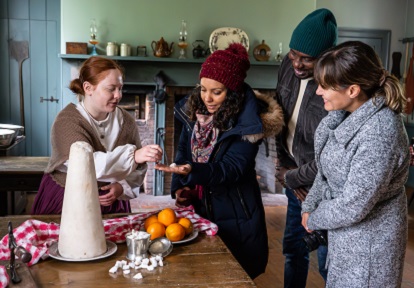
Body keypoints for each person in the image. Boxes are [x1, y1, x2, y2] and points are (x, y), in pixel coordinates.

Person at [155, 43, 283, 279]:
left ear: (232, 91)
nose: (208, 98)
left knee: (234, 275)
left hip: (236, 210)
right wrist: (182, 185)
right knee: (201, 271)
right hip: (201, 204)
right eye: (203, 89)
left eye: (217, 91)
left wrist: (191, 170)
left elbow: (231, 169)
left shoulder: (249, 123)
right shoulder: (195, 109)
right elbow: (183, 149)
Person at [301, 40, 409, 287]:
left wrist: (314, 217)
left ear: (352, 90)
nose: (318, 92)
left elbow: (353, 205)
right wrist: (310, 205)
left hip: (370, 248)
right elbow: (325, 171)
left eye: (325, 86)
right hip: (346, 240)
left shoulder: (380, 132)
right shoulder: (344, 116)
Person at [31, 56, 163, 215]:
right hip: (68, 199)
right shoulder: (67, 122)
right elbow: (87, 164)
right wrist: (133, 156)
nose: (118, 95)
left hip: (111, 202)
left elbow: (139, 168)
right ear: (88, 88)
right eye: (111, 88)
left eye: (120, 88)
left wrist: (122, 187)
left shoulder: (126, 121)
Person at [274, 8, 337, 287]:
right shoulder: (287, 68)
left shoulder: (334, 83)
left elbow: (332, 152)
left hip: (324, 187)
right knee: (294, 250)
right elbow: (277, 117)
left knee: (327, 261)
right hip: (294, 178)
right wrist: (284, 169)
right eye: (293, 53)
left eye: (306, 59)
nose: (297, 64)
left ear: (325, 56)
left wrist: (294, 177)